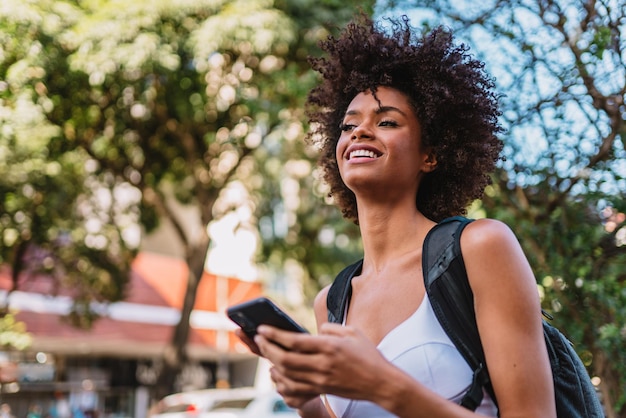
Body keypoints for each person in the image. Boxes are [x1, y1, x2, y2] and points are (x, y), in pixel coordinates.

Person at [236, 12, 556, 418]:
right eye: (348, 126)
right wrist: (309, 403)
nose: (359, 133)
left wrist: (382, 384)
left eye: (386, 121)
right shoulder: (331, 300)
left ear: (431, 154)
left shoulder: (479, 249)